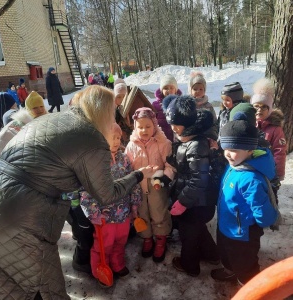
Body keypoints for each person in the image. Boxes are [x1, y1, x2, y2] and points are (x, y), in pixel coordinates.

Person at [0, 85, 158, 299]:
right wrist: (138, 175)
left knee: (10, 284)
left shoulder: (51, 119)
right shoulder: (91, 138)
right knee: (36, 288)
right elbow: (106, 194)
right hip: (23, 217)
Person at [211, 114, 278, 285]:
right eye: (226, 148)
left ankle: (248, 286)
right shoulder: (235, 165)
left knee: (245, 264)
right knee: (227, 255)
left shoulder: (250, 178)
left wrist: (263, 221)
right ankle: (230, 271)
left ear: (249, 150)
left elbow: (263, 211)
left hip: (243, 234)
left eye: (234, 150)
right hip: (228, 226)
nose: (228, 154)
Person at [162, 95, 220, 277]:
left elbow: (198, 179)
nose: (172, 128)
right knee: (197, 229)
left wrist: (182, 202)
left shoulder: (196, 145)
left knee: (189, 237)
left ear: (187, 123)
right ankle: (212, 254)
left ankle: (190, 265)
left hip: (196, 204)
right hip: (196, 202)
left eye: (176, 124)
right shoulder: (187, 140)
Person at [80, 123, 142, 286]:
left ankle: (117, 264)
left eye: (118, 137)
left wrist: (134, 205)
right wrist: (93, 213)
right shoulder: (95, 162)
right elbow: (86, 190)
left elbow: (132, 182)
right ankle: (101, 270)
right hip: (104, 216)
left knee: (120, 241)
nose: (116, 141)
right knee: (103, 246)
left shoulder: (124, 159)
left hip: (123, 214)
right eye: (112, 137)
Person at [125, 107, 174, 263]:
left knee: (159, 212)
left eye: (148, 126)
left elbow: (170, 165)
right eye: (140, 127)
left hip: (156, 186)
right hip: (138, 187)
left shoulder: (163, 142)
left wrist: (164, 177)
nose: (144, 130)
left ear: (154, 125)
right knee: (142, 213)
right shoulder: (131, 145)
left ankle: (161, 238)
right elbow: (127, 166)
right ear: (135, 127)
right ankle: (147, 238)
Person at [0, 91, 47, 164]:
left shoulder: (47, 119)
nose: (39, 110)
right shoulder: (22, 126)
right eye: (35, 108)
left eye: (41, 106)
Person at [250, 78, 287, 182]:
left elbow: (279, 151)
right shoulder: (249, 124)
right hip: (251, 169)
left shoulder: (275, 129)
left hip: (268, 170)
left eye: (263, 107)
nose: (259, 110)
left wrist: (277, 174)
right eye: (256, 106)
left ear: (269, 109)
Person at [153, 74, 182, 142]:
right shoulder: (155, 105)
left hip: (177, 139)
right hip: (161, 139)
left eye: (171, 88)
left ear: (175, 90)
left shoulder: (180, 103)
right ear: (161, 90)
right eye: (166, 88)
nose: (169, 90)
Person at [114, 79, 132, 146]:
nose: (122, 99)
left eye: (124, 96)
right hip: (120, 141)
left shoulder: (132, 109)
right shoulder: (113, 112)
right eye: (119, 97)